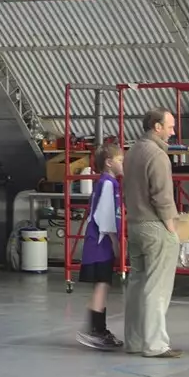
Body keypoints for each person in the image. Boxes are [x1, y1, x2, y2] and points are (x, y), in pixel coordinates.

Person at [123, 108, 181, 359]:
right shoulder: (157, 155)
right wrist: (171, 227)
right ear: (157, 127)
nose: (173, 131)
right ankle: (155, 344)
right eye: (169, 126)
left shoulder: (133, 151)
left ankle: (134, 341)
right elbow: (162, 196)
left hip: (134, 224)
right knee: (157, 287)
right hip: (155, 226)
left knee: (137, 284)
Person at [77, 143, 124, 350]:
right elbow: (104, 218)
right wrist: (116, 243)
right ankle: (94, 330)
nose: (123, 164)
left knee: (103, 285)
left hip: (99, 243)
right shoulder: (107, 184)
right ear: (109, 162)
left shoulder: (109, 183)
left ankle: (98, 328)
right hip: (99, 243)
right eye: (120, 160)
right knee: (102, 285)